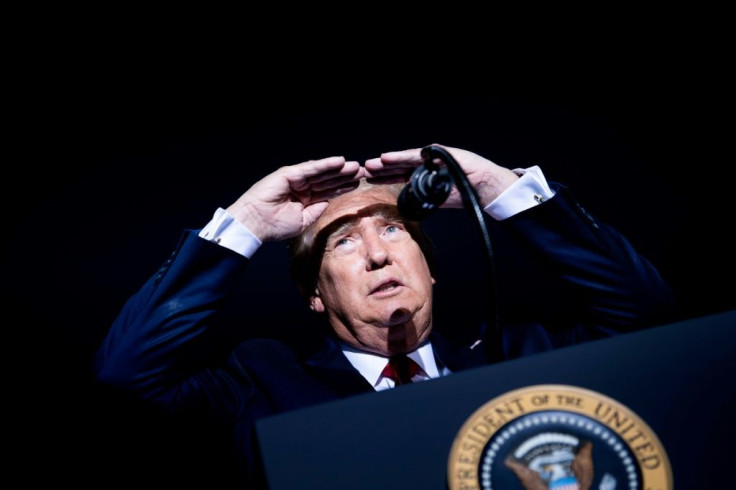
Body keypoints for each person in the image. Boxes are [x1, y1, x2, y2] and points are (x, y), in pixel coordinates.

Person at [93, 143, 675, 487]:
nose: (377, 253)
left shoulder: (524, 355)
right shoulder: (258, 385)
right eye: (342, 242)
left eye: (394, 229)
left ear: (429, 267)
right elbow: (123, 380)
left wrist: (497, 189)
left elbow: (647, 311)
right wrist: (243, 224)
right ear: (314, 294)